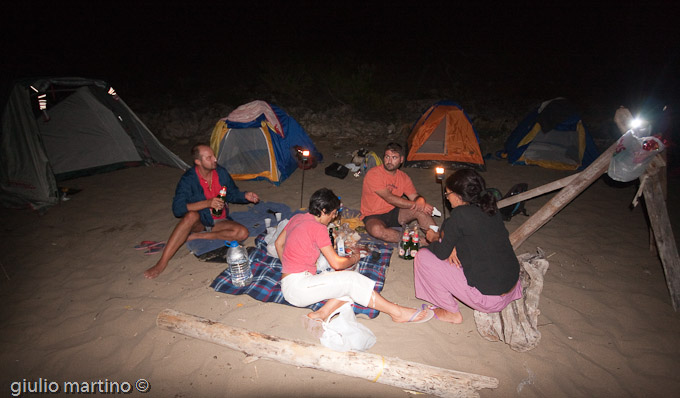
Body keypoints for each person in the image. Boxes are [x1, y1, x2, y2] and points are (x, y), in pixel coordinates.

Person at [275, 188, 434, 329]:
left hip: (291, 284)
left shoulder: (297, 218)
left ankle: (321, 314)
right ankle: (396, 312)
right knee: (352, 280)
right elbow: (337, 263)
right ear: (323, 210)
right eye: (332, 214)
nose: (332, 218)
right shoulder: (319, 228)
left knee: (348, 286)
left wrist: (289, 266)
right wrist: (354, 258)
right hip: (299, 288)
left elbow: (278, 244)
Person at [414, 169, 521, 324]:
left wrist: (432, 239)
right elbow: (469, 235)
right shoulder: (490, 209)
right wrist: (450, 244)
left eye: (448, 194)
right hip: (512, 286)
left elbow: (441, 253)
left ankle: (450, 312)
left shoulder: (460, 215)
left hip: (490, 299)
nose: (447, 199)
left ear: (459, 195)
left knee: (423, 257)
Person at [144, 144, 260, 279]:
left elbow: (232, 193)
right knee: (190, 216)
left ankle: (195, 236)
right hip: (199, 221)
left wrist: (245, 196)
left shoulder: (221, 173)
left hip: (218, 221)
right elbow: (177, 208)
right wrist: (207, 203)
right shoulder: (189, 179)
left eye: (214, 156)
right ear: (198, 162)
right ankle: (162, 263)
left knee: (242, 233)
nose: (215, 159)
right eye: (209, 158)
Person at [360, 142, 437, 242]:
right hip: (373, 215)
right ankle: (422, 241)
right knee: (377, 230)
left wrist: (421, 201)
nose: (389, 161)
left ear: (401, 159)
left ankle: (437, 238)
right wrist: (416, 204)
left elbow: (415, 196)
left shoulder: (403, 177)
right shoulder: (373, 174)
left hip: (395, 212)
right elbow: (389, 198)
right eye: (387, 157)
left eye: (394, 158)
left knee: (422, 210)